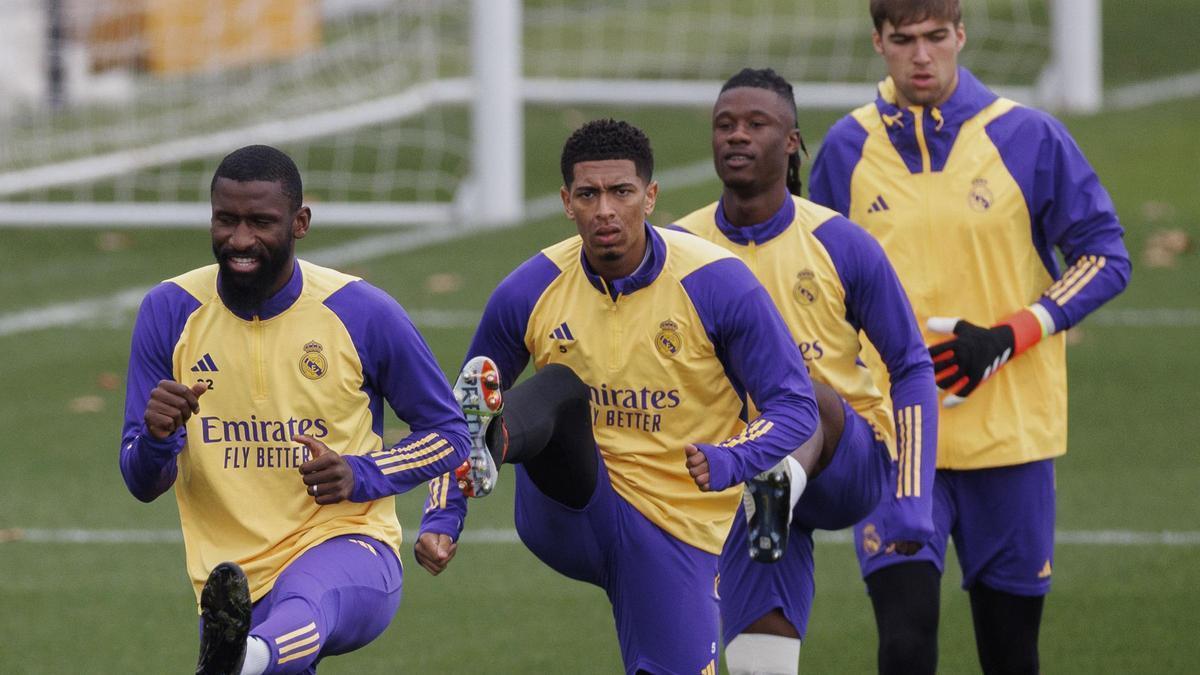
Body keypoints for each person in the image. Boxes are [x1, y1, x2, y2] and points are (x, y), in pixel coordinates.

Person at [414, 119, 821, 674]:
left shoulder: (718, 284)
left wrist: (733, 459)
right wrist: (442, 517)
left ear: (650, 197)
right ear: (566, 202)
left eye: (621, 192)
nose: (605, 209)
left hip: (677, 530)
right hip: (572, 505)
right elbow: (459, 411)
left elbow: (796, 405)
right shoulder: (529, 289)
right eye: (589, 194)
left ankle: (502, 438)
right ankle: (501, 440)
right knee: (559, 387)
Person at [808, 2, 1132, 672]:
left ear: (960, 36)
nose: (921, 56)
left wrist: (1010, 334)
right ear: (878, 43)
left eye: (934, 38)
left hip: (1009, 440)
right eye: (903, 41)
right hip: (895, 444)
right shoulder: (845, 149)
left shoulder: (1029, 138)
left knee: (1011, 654)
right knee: (904, 645)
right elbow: (815, 287)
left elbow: (1105, 256)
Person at [119, 144, 471, 674]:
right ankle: (244, 654)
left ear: (300, 221)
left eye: (261, 222)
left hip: (350, 548)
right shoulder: (170, 312)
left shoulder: (360, 311)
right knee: (274, 637)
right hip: (230, 591)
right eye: (225, 220)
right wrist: (157, 437)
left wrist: (361, 473)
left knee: (304, 601)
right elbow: (142, 481)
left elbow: (450, 434)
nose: (240, 240)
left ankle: (242, 661)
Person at [671, 67, 938, 675]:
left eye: (756, 124)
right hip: (739, 473)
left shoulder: (841, 243)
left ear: (791, 142)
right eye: (724, 125)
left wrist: (912, 496)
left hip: (846, 461)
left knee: (798, 395)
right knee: (761, 661)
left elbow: (911, 367)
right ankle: (769, 495)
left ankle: (778, 485)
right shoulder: (678, 247)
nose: (737, 136)